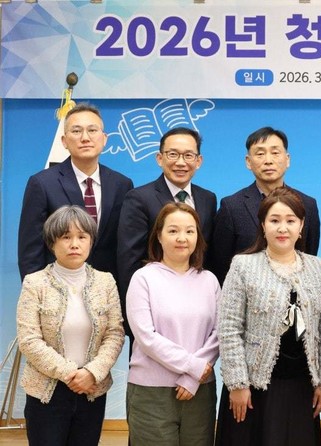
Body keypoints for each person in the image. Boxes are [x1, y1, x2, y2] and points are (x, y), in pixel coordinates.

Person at [216, 187, 321, 445]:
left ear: (301, 226)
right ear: (263, 225)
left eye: (290, 221)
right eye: (274, 220)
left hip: (303, 385)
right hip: (253, 388)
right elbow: (229, 327)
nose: (283, 228)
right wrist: (237, 384)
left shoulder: (319, 268)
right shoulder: (243, 265)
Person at [16, 206, 124, 446]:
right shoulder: (35, 283)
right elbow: (29, 340)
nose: (74, 244)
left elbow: (115, 334)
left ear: (91, 241)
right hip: (46, 391)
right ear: (52, 242)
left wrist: (92, 373)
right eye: (66, 237)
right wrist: (71, 374)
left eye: (82, 237)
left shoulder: (106, 281)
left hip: (92, 389)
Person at [125, 202, 220, 446]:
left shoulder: (209, 280)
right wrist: (192, 366)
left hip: (200, 390)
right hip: (151, 393)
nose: (182, 238)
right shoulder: (143, 278)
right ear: (159, 235)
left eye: (189, 231)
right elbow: (146, 337)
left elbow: (219, 334)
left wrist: (193, 378)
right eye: (173, 231)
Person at [117, 127, 217, 344]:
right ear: (159, 158)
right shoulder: (139, 198)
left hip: (196, 315)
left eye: (188, 155)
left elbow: (206, 255)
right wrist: (138, 321)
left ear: (199, 161)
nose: (180, 162)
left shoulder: (208, 199)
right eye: (173, 154)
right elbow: (129, 262)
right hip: (154, 317)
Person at [18, 103, 133, 281]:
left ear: (104, 139)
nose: (85, 138)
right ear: (64, 141)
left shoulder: (122, 185)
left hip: (107, 288)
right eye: (77, 131)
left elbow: (126, 246)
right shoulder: (42, 184)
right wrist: (36, 291)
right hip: (57, 287)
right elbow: (30, 252)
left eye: (92, 130)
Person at [210, 126, 320, 284]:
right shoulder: (232, 206)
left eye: (275, 153)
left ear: (287, 159)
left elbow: (309, 256)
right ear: (248, 162)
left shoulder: (307, 204)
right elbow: (220, 264)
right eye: (260, 154)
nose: (268, 160)